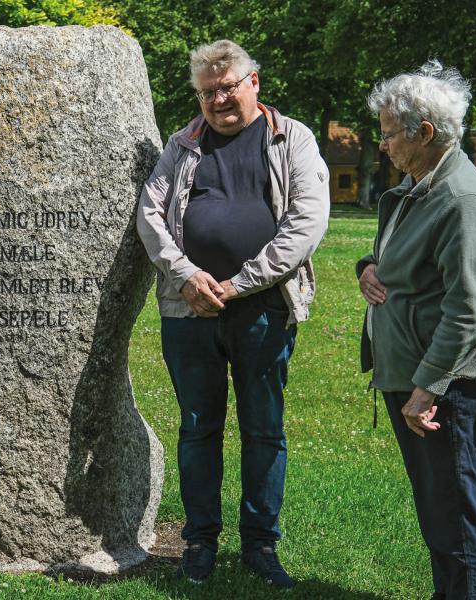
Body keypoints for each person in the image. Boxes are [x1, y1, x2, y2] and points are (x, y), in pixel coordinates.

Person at [135, 39, 329, 588]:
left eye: (228, 87)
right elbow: (150, 213)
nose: (218, 99)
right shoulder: (183, 143)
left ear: (254, 84)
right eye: (207, 92)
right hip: (188, 310)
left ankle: (260, 546)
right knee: (198, 428)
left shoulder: (293, 138)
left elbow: (306, 225)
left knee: (264, 429)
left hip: (264, 309)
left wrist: (240, 283)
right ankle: (199, 543)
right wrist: (188, 276)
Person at [358, 61, 476, 600]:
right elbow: (400, 255)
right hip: (417, 375)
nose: (383, 145)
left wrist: (426, 388)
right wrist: (367, 266)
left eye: (389, 133)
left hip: (448, 387)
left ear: (426, 133)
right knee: (440, 513)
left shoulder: (461, 198)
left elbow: (467, 307)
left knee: (459, 520)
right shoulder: (421, 186)